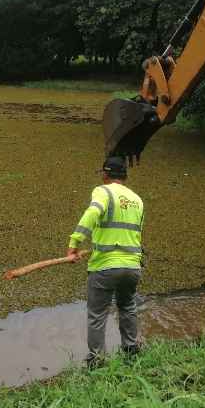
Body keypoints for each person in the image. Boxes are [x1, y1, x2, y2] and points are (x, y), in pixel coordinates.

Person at [67, 156, 145, 366]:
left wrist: (75, 242)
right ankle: (131, 351)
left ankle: (97, 360)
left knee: (97, 314)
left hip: (105, 267)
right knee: (127, 307)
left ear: (105, 174)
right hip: (132, 266)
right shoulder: (137, 200)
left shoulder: (103, 191)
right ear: (125, 176)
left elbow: (93, 212)